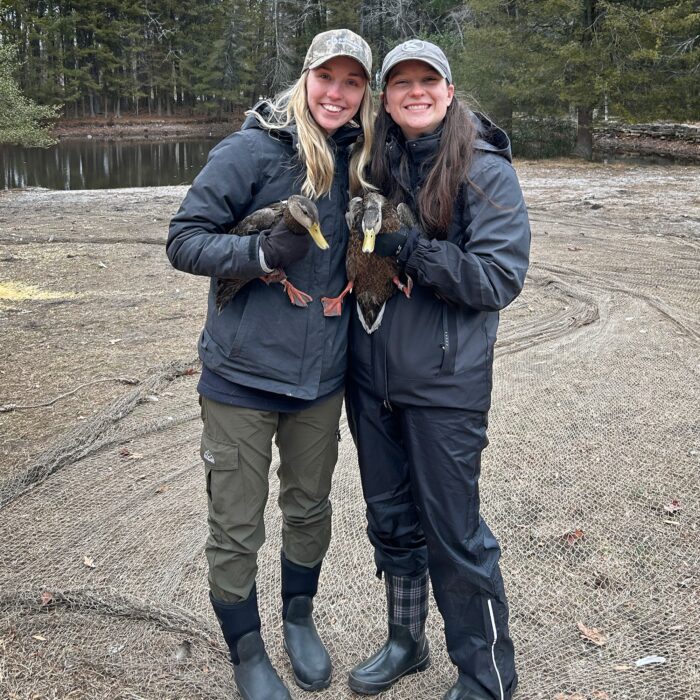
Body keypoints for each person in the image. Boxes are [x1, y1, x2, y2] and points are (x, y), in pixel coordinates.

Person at [166, 29, 373, 700]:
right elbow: (184, 240)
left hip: (321, 379)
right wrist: (256, 257)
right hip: (241, 379)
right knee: (236, 524)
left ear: (365, 91)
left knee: (310, 508)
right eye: (326, 78)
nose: (336, 93)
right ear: (305, 77)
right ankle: (247, 650)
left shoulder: (367, 160)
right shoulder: (252, 149)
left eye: (352, 82)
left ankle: (299, 618)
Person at [344, 40, 530, 700]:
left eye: (428, 81)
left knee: (454, 533)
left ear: (449, 91)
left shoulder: (484, 170)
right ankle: (406, 640)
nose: (415, 92)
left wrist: (415, 252)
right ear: (386, 98)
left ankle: (485, 677)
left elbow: (499, 278)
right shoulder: (377, 163)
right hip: (372, 381)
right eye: (401, 84)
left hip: (446, 383)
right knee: (390, 520)